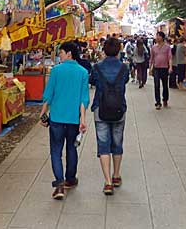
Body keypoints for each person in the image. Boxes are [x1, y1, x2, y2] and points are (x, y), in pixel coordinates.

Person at [40, 41, 90, 200]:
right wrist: (82, 119)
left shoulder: (56, 71)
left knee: (55, 150)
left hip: (56, 118)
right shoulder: (83, 72)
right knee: (71, 148)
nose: (59, 56)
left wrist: (43, 115)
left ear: (69, 53)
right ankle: (70, 179)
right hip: (73, 119)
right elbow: (84, 99)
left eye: (60, 53)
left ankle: (59, 184)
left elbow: (48, 95)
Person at [90, 37, 130, 195]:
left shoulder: (97, 67)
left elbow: (92, 81)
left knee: (103, 143)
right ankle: (116, 175)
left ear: (104, 50)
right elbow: (125, 81)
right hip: (119, 108)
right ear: (119, 49)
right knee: (117, 141)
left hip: (101, 109)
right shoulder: (124, 68)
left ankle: (107, 182)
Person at [149, 31, 173, 109]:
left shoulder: (167, 47)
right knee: (156, 85)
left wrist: (170, 67)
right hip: (156, 68)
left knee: (165, 85)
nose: (157, 37)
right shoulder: (153, 47)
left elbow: (170, 58)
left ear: (162, 37)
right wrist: (150, 68)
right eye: (156, 36)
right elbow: (151, 58)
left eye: (158, 36)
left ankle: (165, 99)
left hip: (164, 68)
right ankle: (158, 102)